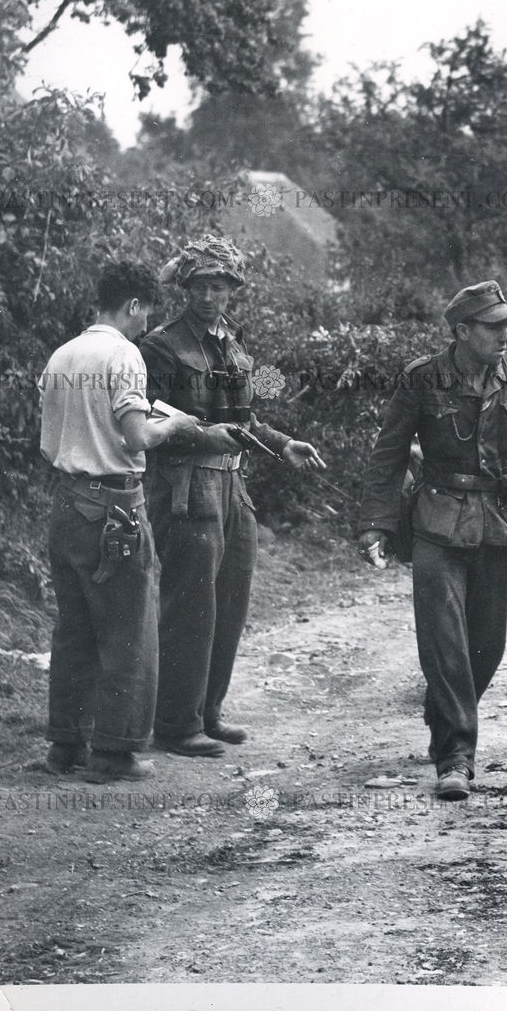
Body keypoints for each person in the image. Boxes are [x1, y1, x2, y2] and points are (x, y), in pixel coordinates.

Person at [356, 280, 507, 800]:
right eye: (493, 327)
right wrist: (376, 523)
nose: (505, 335)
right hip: (438, 522)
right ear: (461, 331)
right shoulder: (422, 378)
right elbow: (388, 454)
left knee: (487, 643)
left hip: (501, 523)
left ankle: (443, 708)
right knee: (445, 639)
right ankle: (455, 756)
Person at [139, 235, 326, 759]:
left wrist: (283, 443)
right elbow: (146, 421)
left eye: (219, 286)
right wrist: (204, 437)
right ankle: (175, 723)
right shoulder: (160, 345)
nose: (208, 296)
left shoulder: (234, 342)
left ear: (232, 289)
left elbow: (245, 421)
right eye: (200, 285)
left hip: (233, 489)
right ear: (186, 288)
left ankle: (208, 712)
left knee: (231, 602)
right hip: (185, 488)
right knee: (191, 605)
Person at [38, 261, 200, 782]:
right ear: (132, 305)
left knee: (75, 629)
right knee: (129, 630)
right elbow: (136, 437)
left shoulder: (63, 354)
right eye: (145, 313)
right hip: (114, 507)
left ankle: (66, 746)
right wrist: (173, 421)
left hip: (66, 504)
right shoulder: (124, 354)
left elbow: (53, 437)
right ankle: (115, 752)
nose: (146, 324)